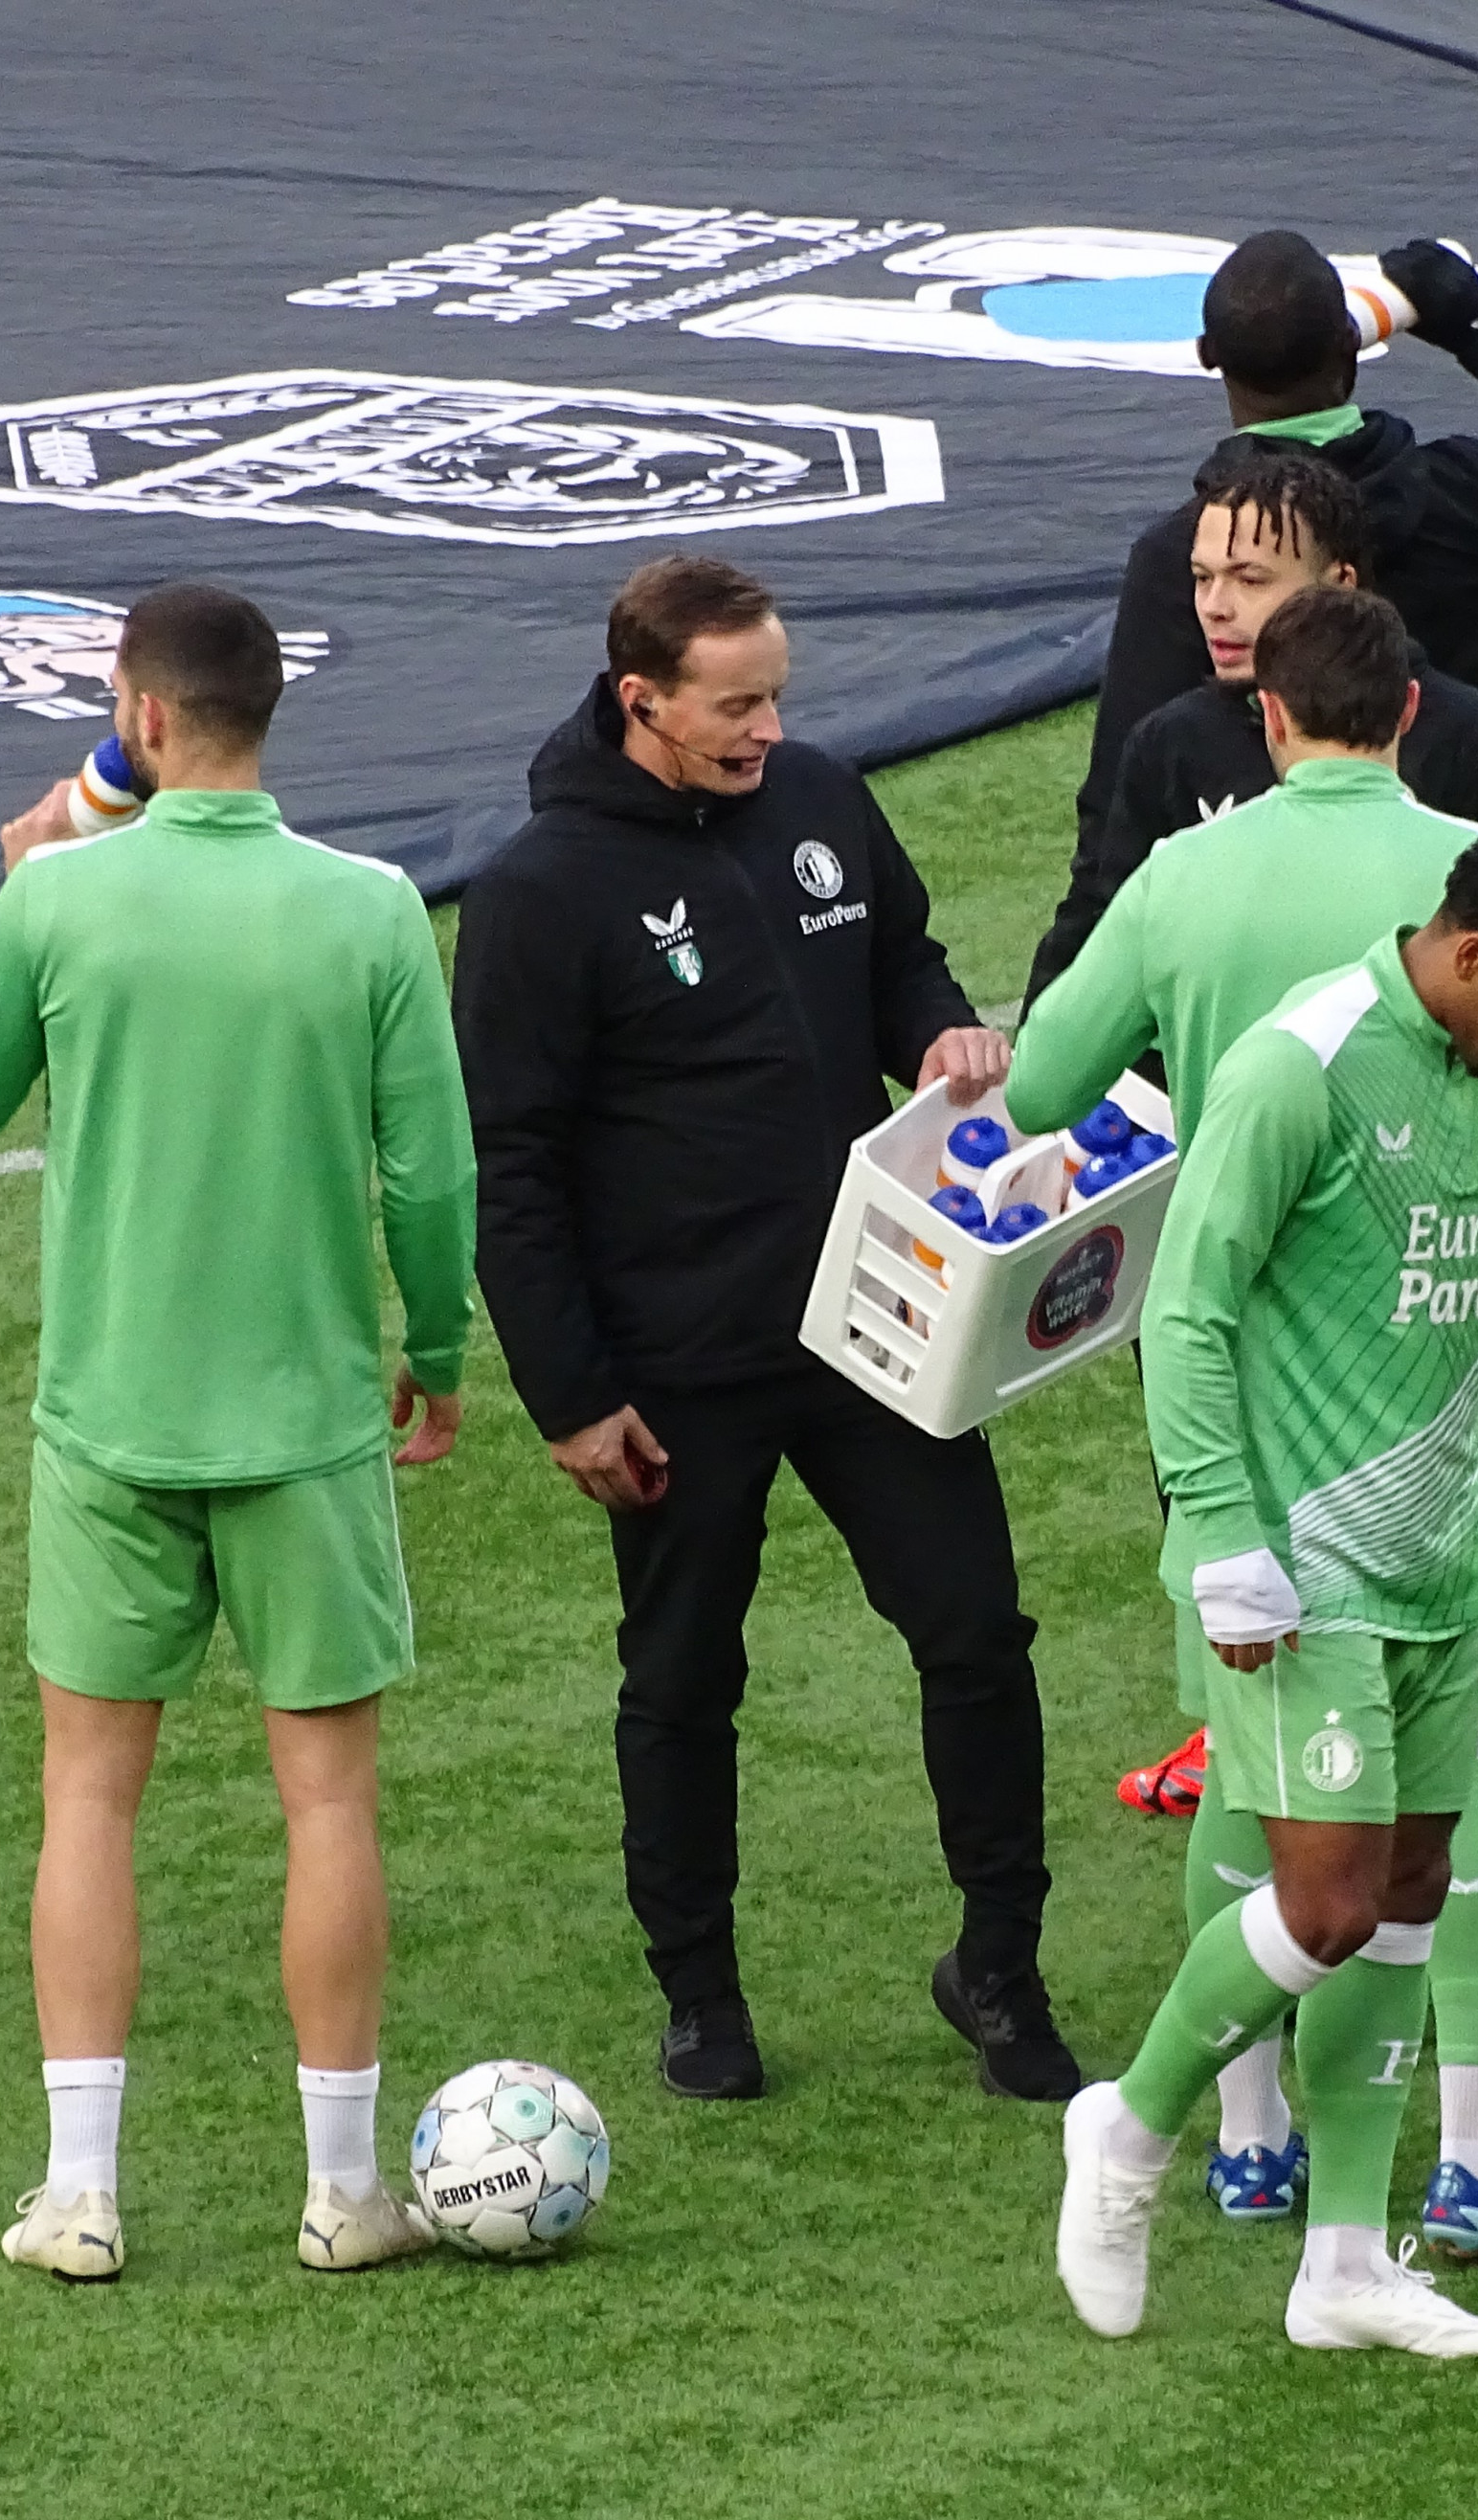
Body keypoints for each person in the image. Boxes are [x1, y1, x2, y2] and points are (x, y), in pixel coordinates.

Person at [1009, 587, 1478, 2253]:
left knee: (1257, 1775)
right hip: (1429, 1380)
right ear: (1413, 714)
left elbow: (1047, 1084)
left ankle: (1260, 2143)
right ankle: (1469, 2154)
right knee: (1464, 1777)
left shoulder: (1188, 874)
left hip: (1248, 1419)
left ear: (1265, 718)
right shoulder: (1471, 883)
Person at [454, 554, 1074, 2105]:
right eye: (736, 705)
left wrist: (939, 1027)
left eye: (777, 696)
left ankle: (1001, 1968)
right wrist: (571, 1394)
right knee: (681, 1678)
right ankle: (700, 1994)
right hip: (680, 1366)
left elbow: (898, 959)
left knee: (976, 1632)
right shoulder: (539, 891)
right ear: (641, 698)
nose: (768, 729)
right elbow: (510, 1168)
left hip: (882, 1323)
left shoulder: (819, 798)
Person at [0, 581, 477, 2282]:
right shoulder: (372, 908)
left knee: (90, 1798)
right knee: (330, 1802)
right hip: (309, 1425)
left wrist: (19, 895)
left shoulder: (60, 894)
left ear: (140, 715)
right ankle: (343, 2192)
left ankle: (80, 2193)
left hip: (110, 1422)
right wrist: (436, 1348)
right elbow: (432, 1172)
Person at [1064, 229, 1478, 925]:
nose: (1221, 598)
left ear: (1208, 357)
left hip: (1258, 919)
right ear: (1352, 343)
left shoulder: (1189, 549)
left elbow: (1114, 813)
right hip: (1442, 910)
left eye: (1250, 580)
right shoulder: (1472, 499)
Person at [1019, 448, 1478, 1012]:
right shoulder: (1171, 742)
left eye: (1250, 579)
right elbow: (1109, 928)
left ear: (1340, 583)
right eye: (1202, 578)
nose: (1215, 607)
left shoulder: (1466, 734)